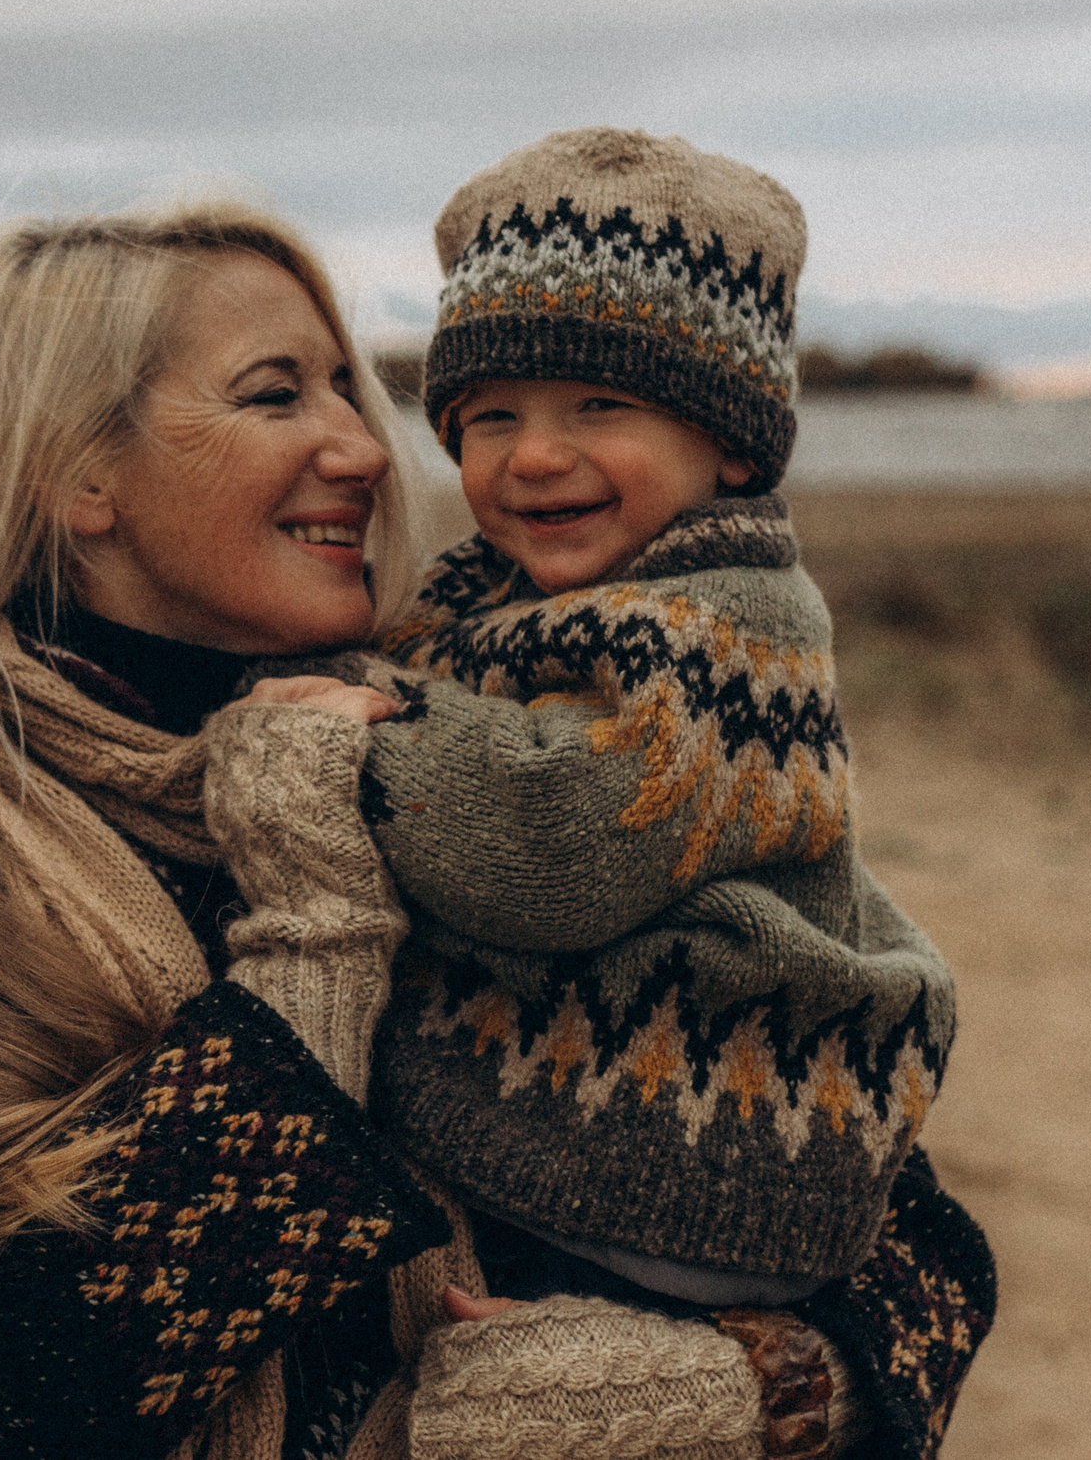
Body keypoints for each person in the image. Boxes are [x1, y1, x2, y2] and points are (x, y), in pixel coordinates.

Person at [0, 200, 996, 1460]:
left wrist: (748, 1391)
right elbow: (32, 1383)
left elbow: (911, 1237)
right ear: (72, 472)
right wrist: (314, 923)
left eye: (349, 389)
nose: (363, 447)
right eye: (273, 396)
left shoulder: (469, 743)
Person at [334, 127, 961, 1321]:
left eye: (599, 404)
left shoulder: (728, 628)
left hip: (690, 1154)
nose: (536, 456)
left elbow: (551, 849)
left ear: (729, 440)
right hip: (600, 1134)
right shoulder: (513, 597)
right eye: (489, 417)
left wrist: (370, 730)